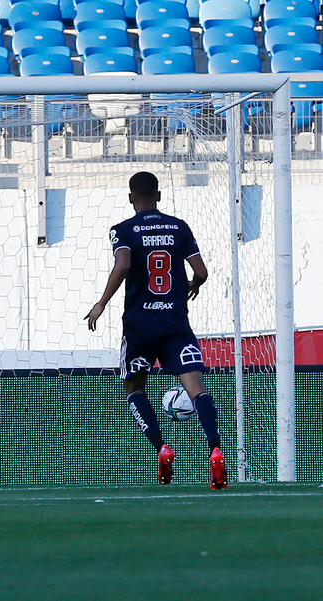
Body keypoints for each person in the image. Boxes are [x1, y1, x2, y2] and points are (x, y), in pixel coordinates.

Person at [85, 171, 228, 490]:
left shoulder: (122, 230)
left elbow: (123, 264)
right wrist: (192, 285)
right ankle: (215, 451)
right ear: (159, 196)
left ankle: (162, 448)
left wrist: (101, 303)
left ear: (131, 198)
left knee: (134, 387)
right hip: (175, 322)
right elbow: (201, 272)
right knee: (196, 388)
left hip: (140, 325)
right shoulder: (179, 227)